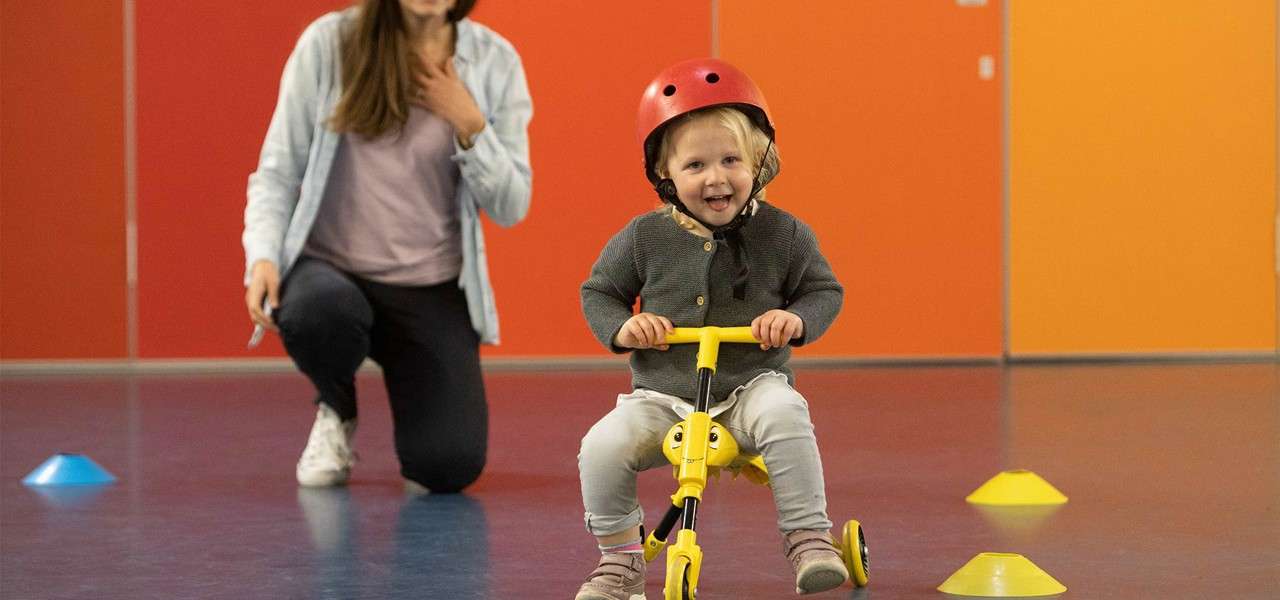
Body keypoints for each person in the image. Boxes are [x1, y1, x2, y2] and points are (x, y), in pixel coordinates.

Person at [575, 58, 847, 599]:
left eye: (731, 160)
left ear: (760, 163)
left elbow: (823, 291)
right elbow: (599, 292)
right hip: (663, 394)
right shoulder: (643, 237)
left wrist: (794, 319)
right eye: (695, 165)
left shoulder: (784, 233)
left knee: (786, 414)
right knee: (601, 446)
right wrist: (626, 328)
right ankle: (620, 561)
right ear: (665, 176)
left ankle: (808, 537)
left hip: (750, 386)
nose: (717, 177)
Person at [241, 0, 532, 493]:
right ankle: (336, 407)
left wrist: (469, 123)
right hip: (331, 272)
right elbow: (278, 168)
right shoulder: (330, 44)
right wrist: (263, 255)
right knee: (315, 315)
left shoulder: (494, 61)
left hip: (430, 284)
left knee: (448, 466)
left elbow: (511, 206)